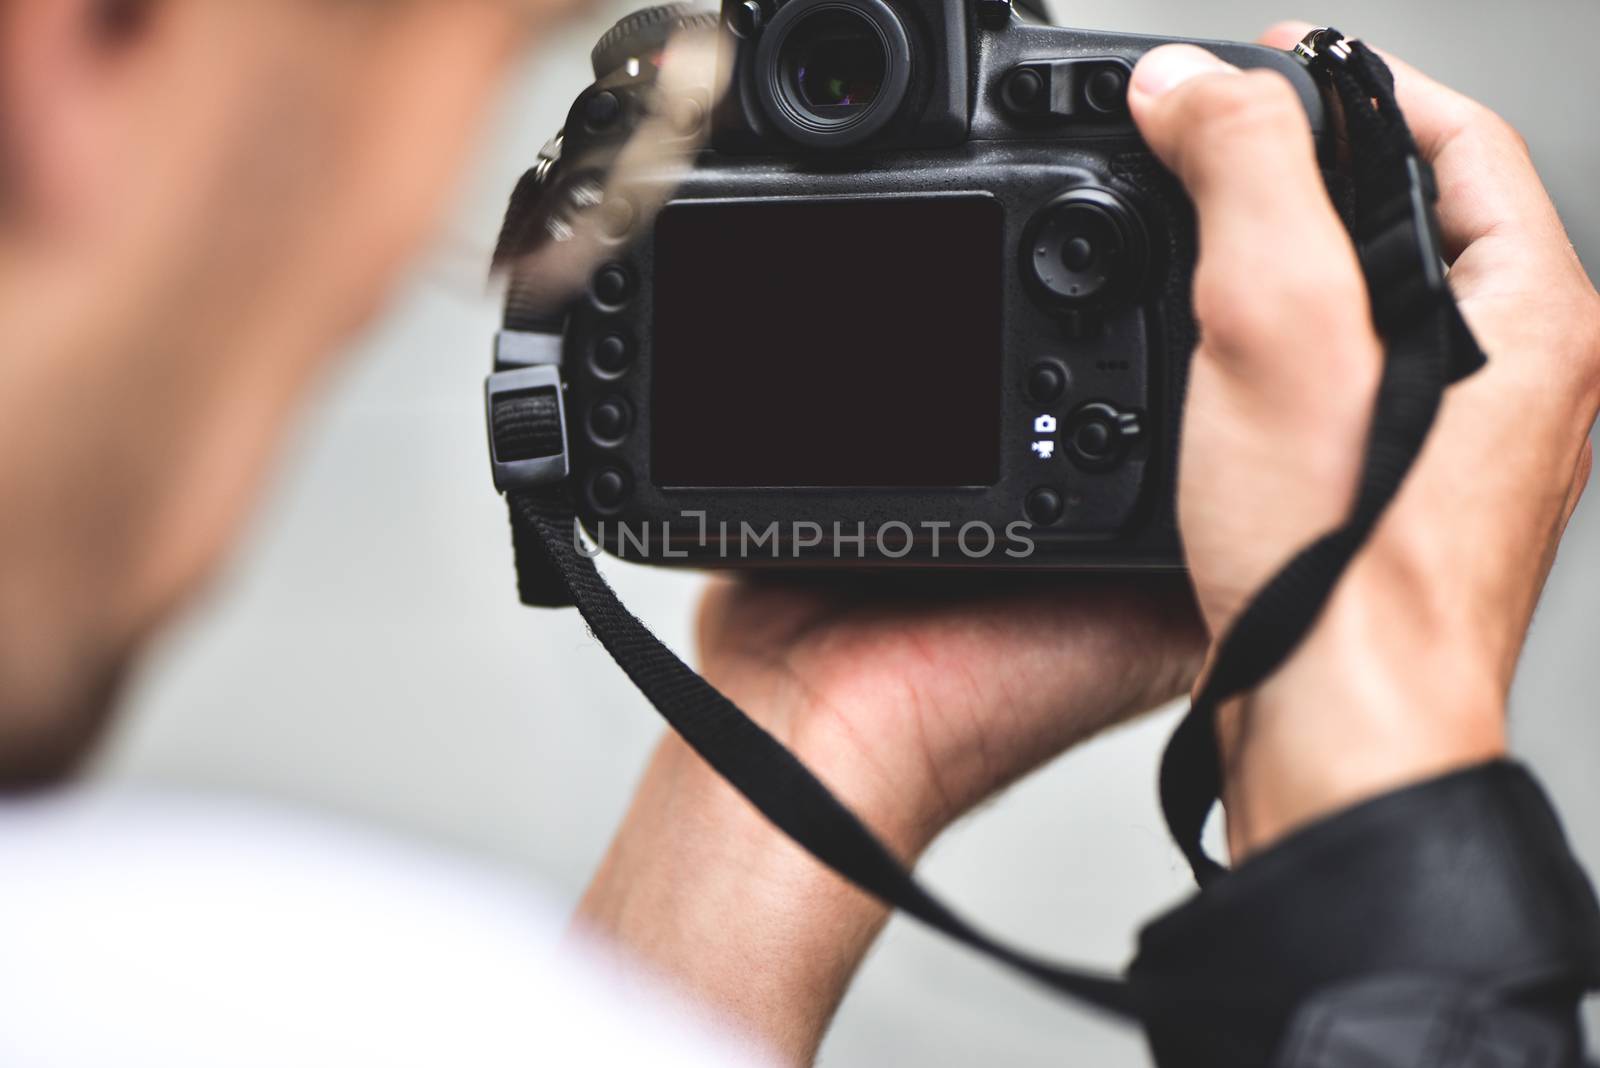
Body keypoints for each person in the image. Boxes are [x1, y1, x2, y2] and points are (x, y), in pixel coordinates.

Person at [0, 0, 1595, 1064]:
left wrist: (807, 749)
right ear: (72, 47)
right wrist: (1372, 707)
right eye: (439, 101)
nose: (375, 273)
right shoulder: (190, 985)